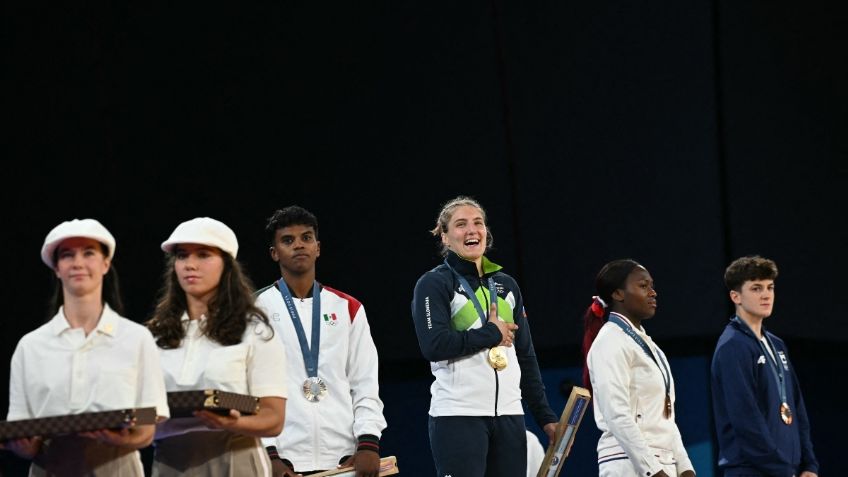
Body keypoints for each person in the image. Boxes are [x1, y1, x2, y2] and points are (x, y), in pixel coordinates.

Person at [3, 218, 169, 476]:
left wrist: (121, 440)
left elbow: (147, 427)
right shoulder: (31, 346)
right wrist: (24, 447)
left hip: (118, 468)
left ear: (105, 264)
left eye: (88, 253)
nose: (78, 263)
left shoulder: (136, 338)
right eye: (67, 255)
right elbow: (22, 431)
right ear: (57, 269)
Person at [411, 196, 558, 477]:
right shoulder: (434, 283)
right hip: (458, 416)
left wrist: (545, 417)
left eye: (478, 223)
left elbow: (525, 356)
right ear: (445, 237)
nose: (471, 230)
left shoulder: (506, 285)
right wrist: (491, 333)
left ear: (486, 232)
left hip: (509, 416)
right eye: (461, 224)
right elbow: (435, 345)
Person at [146, 217, 287, 476]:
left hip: (234, 459)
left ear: (226, 264)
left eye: (203, 255)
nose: (190, 265)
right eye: (181, 255)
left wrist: (236, 422)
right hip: (168, 463)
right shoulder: (154, 335)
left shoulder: (254, 330)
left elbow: (274, 417)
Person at [255, 206, 386, 477]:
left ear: (318, 247)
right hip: (283, 460)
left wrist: (368, 443)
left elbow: (365, 382)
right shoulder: (255, 310)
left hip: (343, 459)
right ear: (274, 253)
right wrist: (267, 453)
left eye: (306, 237)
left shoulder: (348, 308)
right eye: (288, 240)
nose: (299, 245)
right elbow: (248, 389)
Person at [582, 259, 695, 477]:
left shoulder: (649, 346)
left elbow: (665, 416)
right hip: (628, 464)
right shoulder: (609, 342)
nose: (653, 293)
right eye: (643, 286)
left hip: (662, 463)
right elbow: (617, 415)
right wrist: (653, 471)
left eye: (652, 286)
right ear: (618, 294)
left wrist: (685, 467)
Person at [710, 256, 818, 477]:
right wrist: (782, 470)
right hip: (751, 471)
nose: (766, 294)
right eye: (756, 288)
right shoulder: (732, 346)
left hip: (787, 470)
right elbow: (745, 420)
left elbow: (796, 408)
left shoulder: (776, 344)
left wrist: (809, 464)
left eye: (770, 287)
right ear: (735, 296)